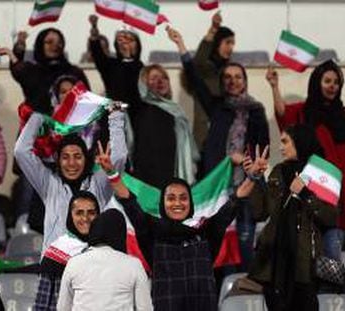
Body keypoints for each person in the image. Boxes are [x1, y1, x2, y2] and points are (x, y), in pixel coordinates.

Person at [96, 142, 264, 311]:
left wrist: (252, 177)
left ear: (190, 203)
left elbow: (235, 201)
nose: (177, 203)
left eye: (183, 198)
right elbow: (129, 202)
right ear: (163, 203)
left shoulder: (206, 230)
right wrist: (111, 173)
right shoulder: (151, 231)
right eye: (171, 198)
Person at [168, 26, 269, 271]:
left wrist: (246, 160)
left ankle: (243, 299)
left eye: (238, 77)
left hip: (245, 187)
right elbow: (195, 78)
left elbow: (263, 147)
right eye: (228, 78)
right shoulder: (217, 107)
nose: (233, 82)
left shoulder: (255, 110)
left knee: (244, 250)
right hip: (218, 189)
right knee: (218, 249)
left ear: (245, 81)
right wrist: (181, 45)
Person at [266, 60, 345, 260]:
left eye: (336, 82)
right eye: (327, 81)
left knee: (331, 264)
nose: (332, 85)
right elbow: (283, 115)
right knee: (305, 264)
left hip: (336, 206)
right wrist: (274, 86)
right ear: (317, 82)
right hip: (306, 202)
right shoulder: (304, 112)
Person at [242, 125, 338, 311]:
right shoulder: (278, 171)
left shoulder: (320, 173)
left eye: (285, 141)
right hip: (274, 263)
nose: (280, 147)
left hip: (305, 265)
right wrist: (255, 179)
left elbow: (331, 217)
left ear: (300, 142)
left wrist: (305, 194)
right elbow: (260, 212)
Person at [14, 106, 127, 253]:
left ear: (86, 160)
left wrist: (115, 116)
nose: (72, 163)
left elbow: (120, 157)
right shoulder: (49, 183)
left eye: (77, 157)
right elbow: (21, 151)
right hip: (55, 269)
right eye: (65, 157)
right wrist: (39, 115)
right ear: (58, 161)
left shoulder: (98, 184)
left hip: (90, 267)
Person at [57, 209, 153, 311]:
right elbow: (145, 308)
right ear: (121, 234)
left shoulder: (74, 263)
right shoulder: (134, 265)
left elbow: (63, 307)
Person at [0, 28, 90, 115]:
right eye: (49, 42)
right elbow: (17, 67)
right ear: (41, 45)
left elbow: (88, 103)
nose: (55, 46)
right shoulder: (32, 71)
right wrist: (18, 46)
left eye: (59, 42)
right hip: (37, 128)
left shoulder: (74, 72)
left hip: (69, 128)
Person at [34, 191, 100, 310]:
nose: (85, 218)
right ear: (70, 216)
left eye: (91, 213)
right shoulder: (58, 249)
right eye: (79, 213)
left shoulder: (106, 249)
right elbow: (42, 302)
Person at [192, 11, 236, 147]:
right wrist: (212, 31)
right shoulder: (204, 70)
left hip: (227, 136)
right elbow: (198, 61)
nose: (231, 48)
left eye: (233, 44)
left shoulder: (231, 71)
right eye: (227, 42)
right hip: (205, 136)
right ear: (217, 43)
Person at [88, 14, 143, 104]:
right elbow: (97, 53)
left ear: (138, 45)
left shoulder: (142, 69)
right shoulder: (110, 65)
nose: (125, 43)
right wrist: (94, 28)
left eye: (130, 40)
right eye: (121, 40)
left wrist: (128, 59)